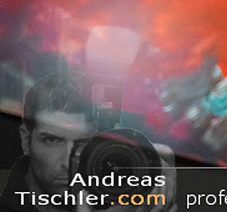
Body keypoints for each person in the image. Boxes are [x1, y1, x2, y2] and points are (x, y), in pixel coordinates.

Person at [1, 72, 176, 212]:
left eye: (84, 143)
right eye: (52, 140)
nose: (68, 163)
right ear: (26, 140)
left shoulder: (125, 199)